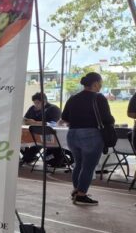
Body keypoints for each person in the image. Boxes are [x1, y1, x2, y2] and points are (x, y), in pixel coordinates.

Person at [59, 72, 115, 206]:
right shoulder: (99, 98)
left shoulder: (73, 98)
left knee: (78, 164)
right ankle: (81, 195)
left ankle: (76, 190)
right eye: (100, 83)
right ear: (95, 83)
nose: (101, 86)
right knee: (89, 167)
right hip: (91, 135)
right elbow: (107, 119)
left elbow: (64, 118)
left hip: (72, 134)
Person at [21, 92, 63, 166]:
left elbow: (54, 123)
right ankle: (28, 157)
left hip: (49, 137)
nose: (35, 105)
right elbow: (26, 119)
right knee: (19, 141)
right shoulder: (32, 108)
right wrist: (26, 121)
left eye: (37, 103)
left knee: (31, 151)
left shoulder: (53, 109)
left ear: (44, 102)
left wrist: (35, 123)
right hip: (33, 135)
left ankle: (29, 157)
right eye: (34, 103)